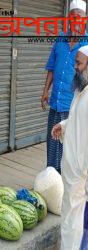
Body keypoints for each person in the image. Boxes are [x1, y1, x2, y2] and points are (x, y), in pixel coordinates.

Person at [42, 0, 88, 173]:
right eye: (72, 17)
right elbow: (52, 67)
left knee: (69, 150)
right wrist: (45, 91)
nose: (75, 20)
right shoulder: (61, 39)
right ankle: (51, 179)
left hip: (74, 105)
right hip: (56, 102)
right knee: (52, 144)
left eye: (79, 17)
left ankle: (65, 184)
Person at [52, 45, 88, 250]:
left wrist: (85, 173)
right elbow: (77, 121)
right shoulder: (80, 90)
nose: (75, 67)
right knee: (70, 219)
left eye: (79, 63)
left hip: (81, 174)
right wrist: (64, 125)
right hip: (72, 170)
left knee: (72, 224)